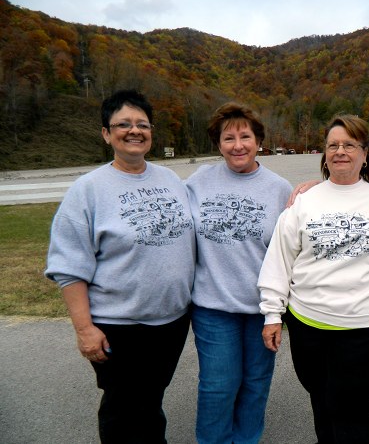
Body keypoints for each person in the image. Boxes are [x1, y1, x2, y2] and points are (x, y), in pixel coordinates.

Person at [45, 89, 195, 443]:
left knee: (149, 401)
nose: (134, 131)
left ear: (151, 132)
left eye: (142, 124)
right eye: (123, 124)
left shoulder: (171, 180)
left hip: (170, 322)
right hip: (119, 325)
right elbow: (68, 266)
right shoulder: (89, 190)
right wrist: (84, 330)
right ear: (106, 133)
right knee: (123, 409)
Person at [258, 115, 369, 444]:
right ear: (324, 154)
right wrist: (273, 314)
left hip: (365, 329)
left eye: (349, 145)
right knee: (322, 402)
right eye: (333, 145)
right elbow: (280, 259)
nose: (340, 151)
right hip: (309, 325)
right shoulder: (304, 202)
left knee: (357, 411)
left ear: (365, 154)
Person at [185, 102, 292, 443]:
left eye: (245, 136)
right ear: (218, 143)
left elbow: (290, 248)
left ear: (258, 140)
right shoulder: (199, 181)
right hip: (213, 307)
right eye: (228, 138)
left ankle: (246, 439)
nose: (238, 145)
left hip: (262, 310)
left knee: (256, 383)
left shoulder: (278, 188)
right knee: (218, 386)